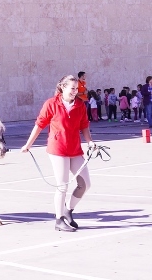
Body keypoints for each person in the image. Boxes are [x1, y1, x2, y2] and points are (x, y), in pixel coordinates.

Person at [21, 75, 95, 232]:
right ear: (63, 87)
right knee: (62, 186)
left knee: (85, 184)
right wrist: (28, 145)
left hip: (75, 149)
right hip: (58, 149)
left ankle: (68, 210)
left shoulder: (80, 105)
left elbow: (84, 125)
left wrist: (90, 142)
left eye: (77, 89)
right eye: (72, 88)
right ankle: (59, 220)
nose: (75, 92)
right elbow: (39, 124)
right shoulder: (51, 104)